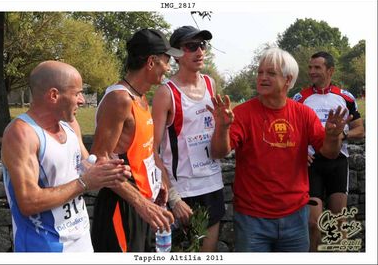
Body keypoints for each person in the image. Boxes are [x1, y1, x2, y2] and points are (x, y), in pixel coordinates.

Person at [208, 47, 352, 252]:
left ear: (287, 79)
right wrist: (222, 128)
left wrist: (332, 136)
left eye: (271, 73)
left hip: (296, 216)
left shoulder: (304, 114)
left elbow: (329, 153)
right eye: (260, 72)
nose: (262, 78)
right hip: (252, 218)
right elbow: (219, 152)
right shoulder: (242, 113)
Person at [1, 61, 131, 252]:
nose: (82, 100)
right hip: (45, 247)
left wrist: (107, 171)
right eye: (77, 93)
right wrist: (84, 183)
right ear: (54, 95)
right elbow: (28, 201)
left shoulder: (70, 124)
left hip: (82, 241)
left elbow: (85, 165)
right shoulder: (21, 134)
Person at [90, 28, 183, 252]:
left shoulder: (140, 97)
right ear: (151, 61)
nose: (169, 68)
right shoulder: (119, 99)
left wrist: (156, 184)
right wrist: (141, 203)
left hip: (142, 205)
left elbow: (143, 151)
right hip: (121, 208)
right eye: (166, 61)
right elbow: (99, 160)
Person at [152, 25, 225, 252]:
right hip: (183, 192)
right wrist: (173, 197)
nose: (199, 51)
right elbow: (151, 150)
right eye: (191, 46)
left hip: (213, 183)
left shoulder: (210, 84)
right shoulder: (166, 93)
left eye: (202, 45)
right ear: (176, 54)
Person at [293, 51, 365, 251]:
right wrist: (299, 151)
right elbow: (292, 131)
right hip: (312, 163)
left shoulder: (345, 97)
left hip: (338, 162)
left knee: (338, 222)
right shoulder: (300, 98)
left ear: (330, 70)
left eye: (317, 67)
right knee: (313, 224)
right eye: (310, 67)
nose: (312, 71)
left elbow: (360, 129)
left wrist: (341, 136)